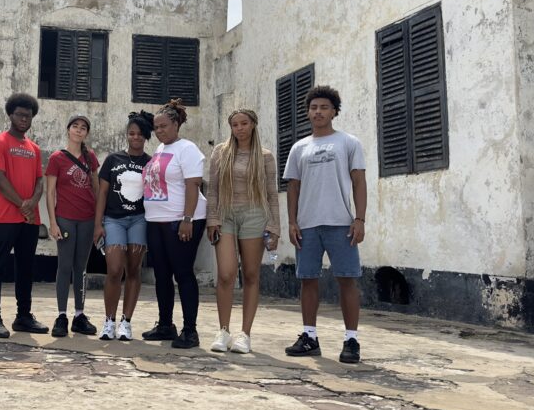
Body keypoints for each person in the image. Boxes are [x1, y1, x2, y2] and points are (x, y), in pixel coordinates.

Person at [283, 85, 367, 364]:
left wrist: (360, 219)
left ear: (334, 112)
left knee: (347, 280)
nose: (318, 112)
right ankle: (310, 337)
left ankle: (351, 340)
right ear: (308, 112)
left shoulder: (348, 143)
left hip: (341, 223)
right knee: (308, 280)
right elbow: (293, 188)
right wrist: (292, 222)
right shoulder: (299, 148)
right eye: (314, 107)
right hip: (307, 225)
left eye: (324, 107)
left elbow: (358, 182)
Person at [206, 109, 280, 354]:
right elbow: (213, 189)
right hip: (226, 214)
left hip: (255, 215)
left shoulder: (266, 157)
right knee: (226, 274)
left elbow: (272, 194)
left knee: (250, 275)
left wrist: (274, 227)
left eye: (244, 123)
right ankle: (223, 330)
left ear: (253, 125)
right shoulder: (221, 152)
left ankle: (245, 334)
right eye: (235, 124)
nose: (239, 128)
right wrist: (212, 219)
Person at [141, 99, 208, 348]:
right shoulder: (159, 150)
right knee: (161, 275)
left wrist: (187, 219)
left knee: (182, 273)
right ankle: (165, 325)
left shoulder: (187, 149)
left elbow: (193, 184)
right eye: (156, 127)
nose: (159, 131)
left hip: (181, 221)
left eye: (164, 126)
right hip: (156, 220)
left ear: (176, 124)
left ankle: (190, 331)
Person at [0, 93, 50, 339]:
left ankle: (23, 316)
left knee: (26, 268)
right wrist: (22, 204)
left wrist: (32, 203)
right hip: (4, 216)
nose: (24, 119)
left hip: (29, 219)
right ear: (10, 115)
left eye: (28, 116)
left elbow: (39, 181)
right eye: (20, 114)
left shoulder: (34, 149)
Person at [93, 111, 155, 341]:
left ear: (146, 136)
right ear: (127, 135)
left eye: (139, 134)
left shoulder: (150, 163)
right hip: (114, 219)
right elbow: (102, 193)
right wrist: (97, 224)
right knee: (114, 269)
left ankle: (126, 322)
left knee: (133, 270)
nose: (135, 137)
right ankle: (109, 320)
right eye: (131, 133)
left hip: (139, 219)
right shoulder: (113, 160)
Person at [46, 115, 100, 337]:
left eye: (83, 128)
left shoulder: (91, 157)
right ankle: (61, 316)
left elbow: (96, 189)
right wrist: (52, 222)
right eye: (75, 126)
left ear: (86, 133)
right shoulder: (57, 158)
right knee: (65, 267)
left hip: (87, 219)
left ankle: (79, 315)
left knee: (81, 268)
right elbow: (50, 192)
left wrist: (99, 220)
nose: (79, 130)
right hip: (65, 218)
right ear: (68, 130)